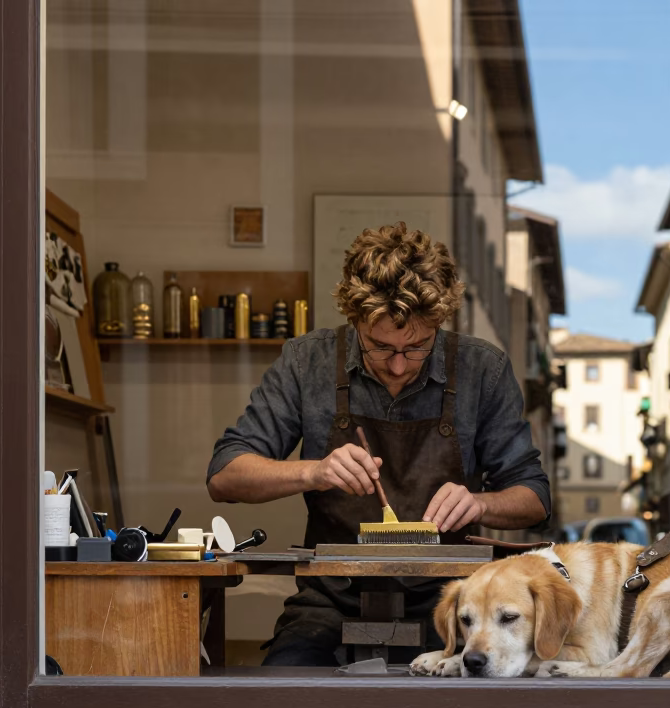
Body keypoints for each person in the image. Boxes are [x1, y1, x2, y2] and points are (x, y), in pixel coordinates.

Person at [206, 221, 550, 667]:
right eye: (379, 346)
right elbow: (224, 475)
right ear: (354, 320)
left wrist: (480, 504)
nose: (399, 365)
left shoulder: (482, 370)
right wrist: (312, 471)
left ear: (440, 322)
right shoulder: (307, 362)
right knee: (286, 694)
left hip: (454, 604)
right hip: (331, 599)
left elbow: (535, 497)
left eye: (419, 346)